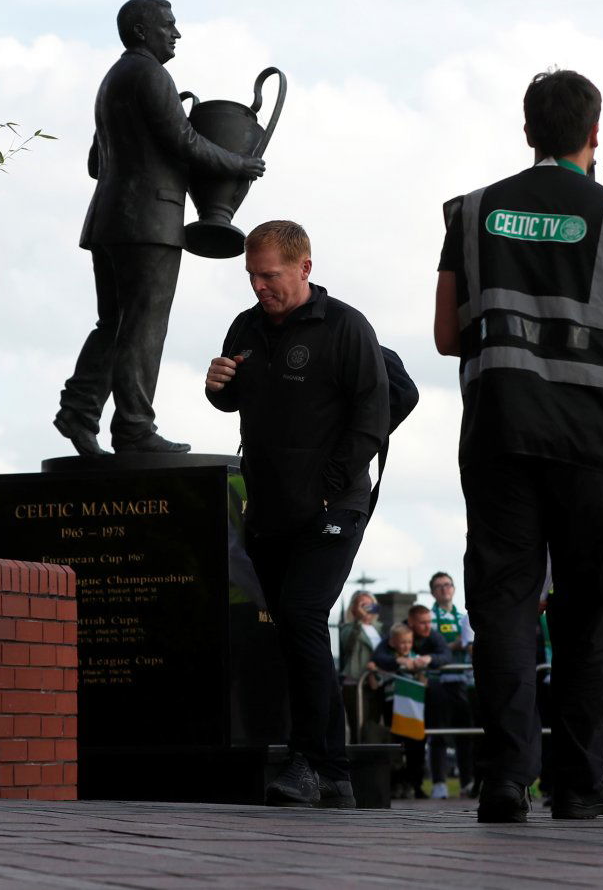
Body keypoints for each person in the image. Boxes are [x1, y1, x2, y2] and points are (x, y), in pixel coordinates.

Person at [433, 68, 603, 823]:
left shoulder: (470, 213)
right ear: (595, 135)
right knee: (590, 612)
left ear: (527, 131)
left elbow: (444, 336)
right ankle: (579, 784)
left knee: (505, 606)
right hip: (594, 443)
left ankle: (504, 780)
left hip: (499, 434)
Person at [205, 220, 390, 808]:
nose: (259, 286)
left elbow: (374, 413)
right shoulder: (246, 326)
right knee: (296, 633)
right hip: (268, 509)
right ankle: (335, 772)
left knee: (302, 616)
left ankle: (306, 762)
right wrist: (217, 386)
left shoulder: (345, 327)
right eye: (252, 276)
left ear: (304, 268)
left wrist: (331, 489)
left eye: (270, 275)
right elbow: (233, 399)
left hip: (333, 509)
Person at [57, 0, 265, 457]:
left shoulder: (113, 79)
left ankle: (79, 408)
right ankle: (133, 427)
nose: (176, 33)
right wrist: (239, 162)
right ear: (140, 31)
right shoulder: (151, 74)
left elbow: (96, 163)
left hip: (108, 219)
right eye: (168, 25)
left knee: (113, 323)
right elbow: (185, 142)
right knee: (143, 327)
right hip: (149, 221)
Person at [427, 572, 475, 799]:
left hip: (462, 681)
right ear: (432, 592)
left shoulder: (464, 617)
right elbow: (433, 648)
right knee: (438, 734)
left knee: (465, 734)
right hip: (437, 682)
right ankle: (439, 782)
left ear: (454, 588)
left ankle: (467, 782)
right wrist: (454, 645)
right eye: (439, 586)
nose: (444, 589)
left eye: (448, 584)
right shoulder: (429, 618)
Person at [373, 625, 429, 799]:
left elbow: (424, 682)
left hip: (414, 708)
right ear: (393, 642)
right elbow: (376, 683)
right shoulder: (387, 662)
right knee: (396, 746)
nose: (406, 646)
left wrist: (420, 669)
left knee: (417, 746)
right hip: (393, 705)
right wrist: (374, 670)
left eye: (409, 642)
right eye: (402, 642)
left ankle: (415, 784)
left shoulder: (416, 659)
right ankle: (395, 784)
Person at [339, 590, 383, 737]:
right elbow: (348, 644)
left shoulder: (379, 628)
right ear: (354, 608)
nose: (367, 609)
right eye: (363, 605)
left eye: (370, 605)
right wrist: (359, 619)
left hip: (375, 683)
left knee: (373, 727)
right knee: (358, 727)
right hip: (355, 684)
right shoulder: (348, 628)